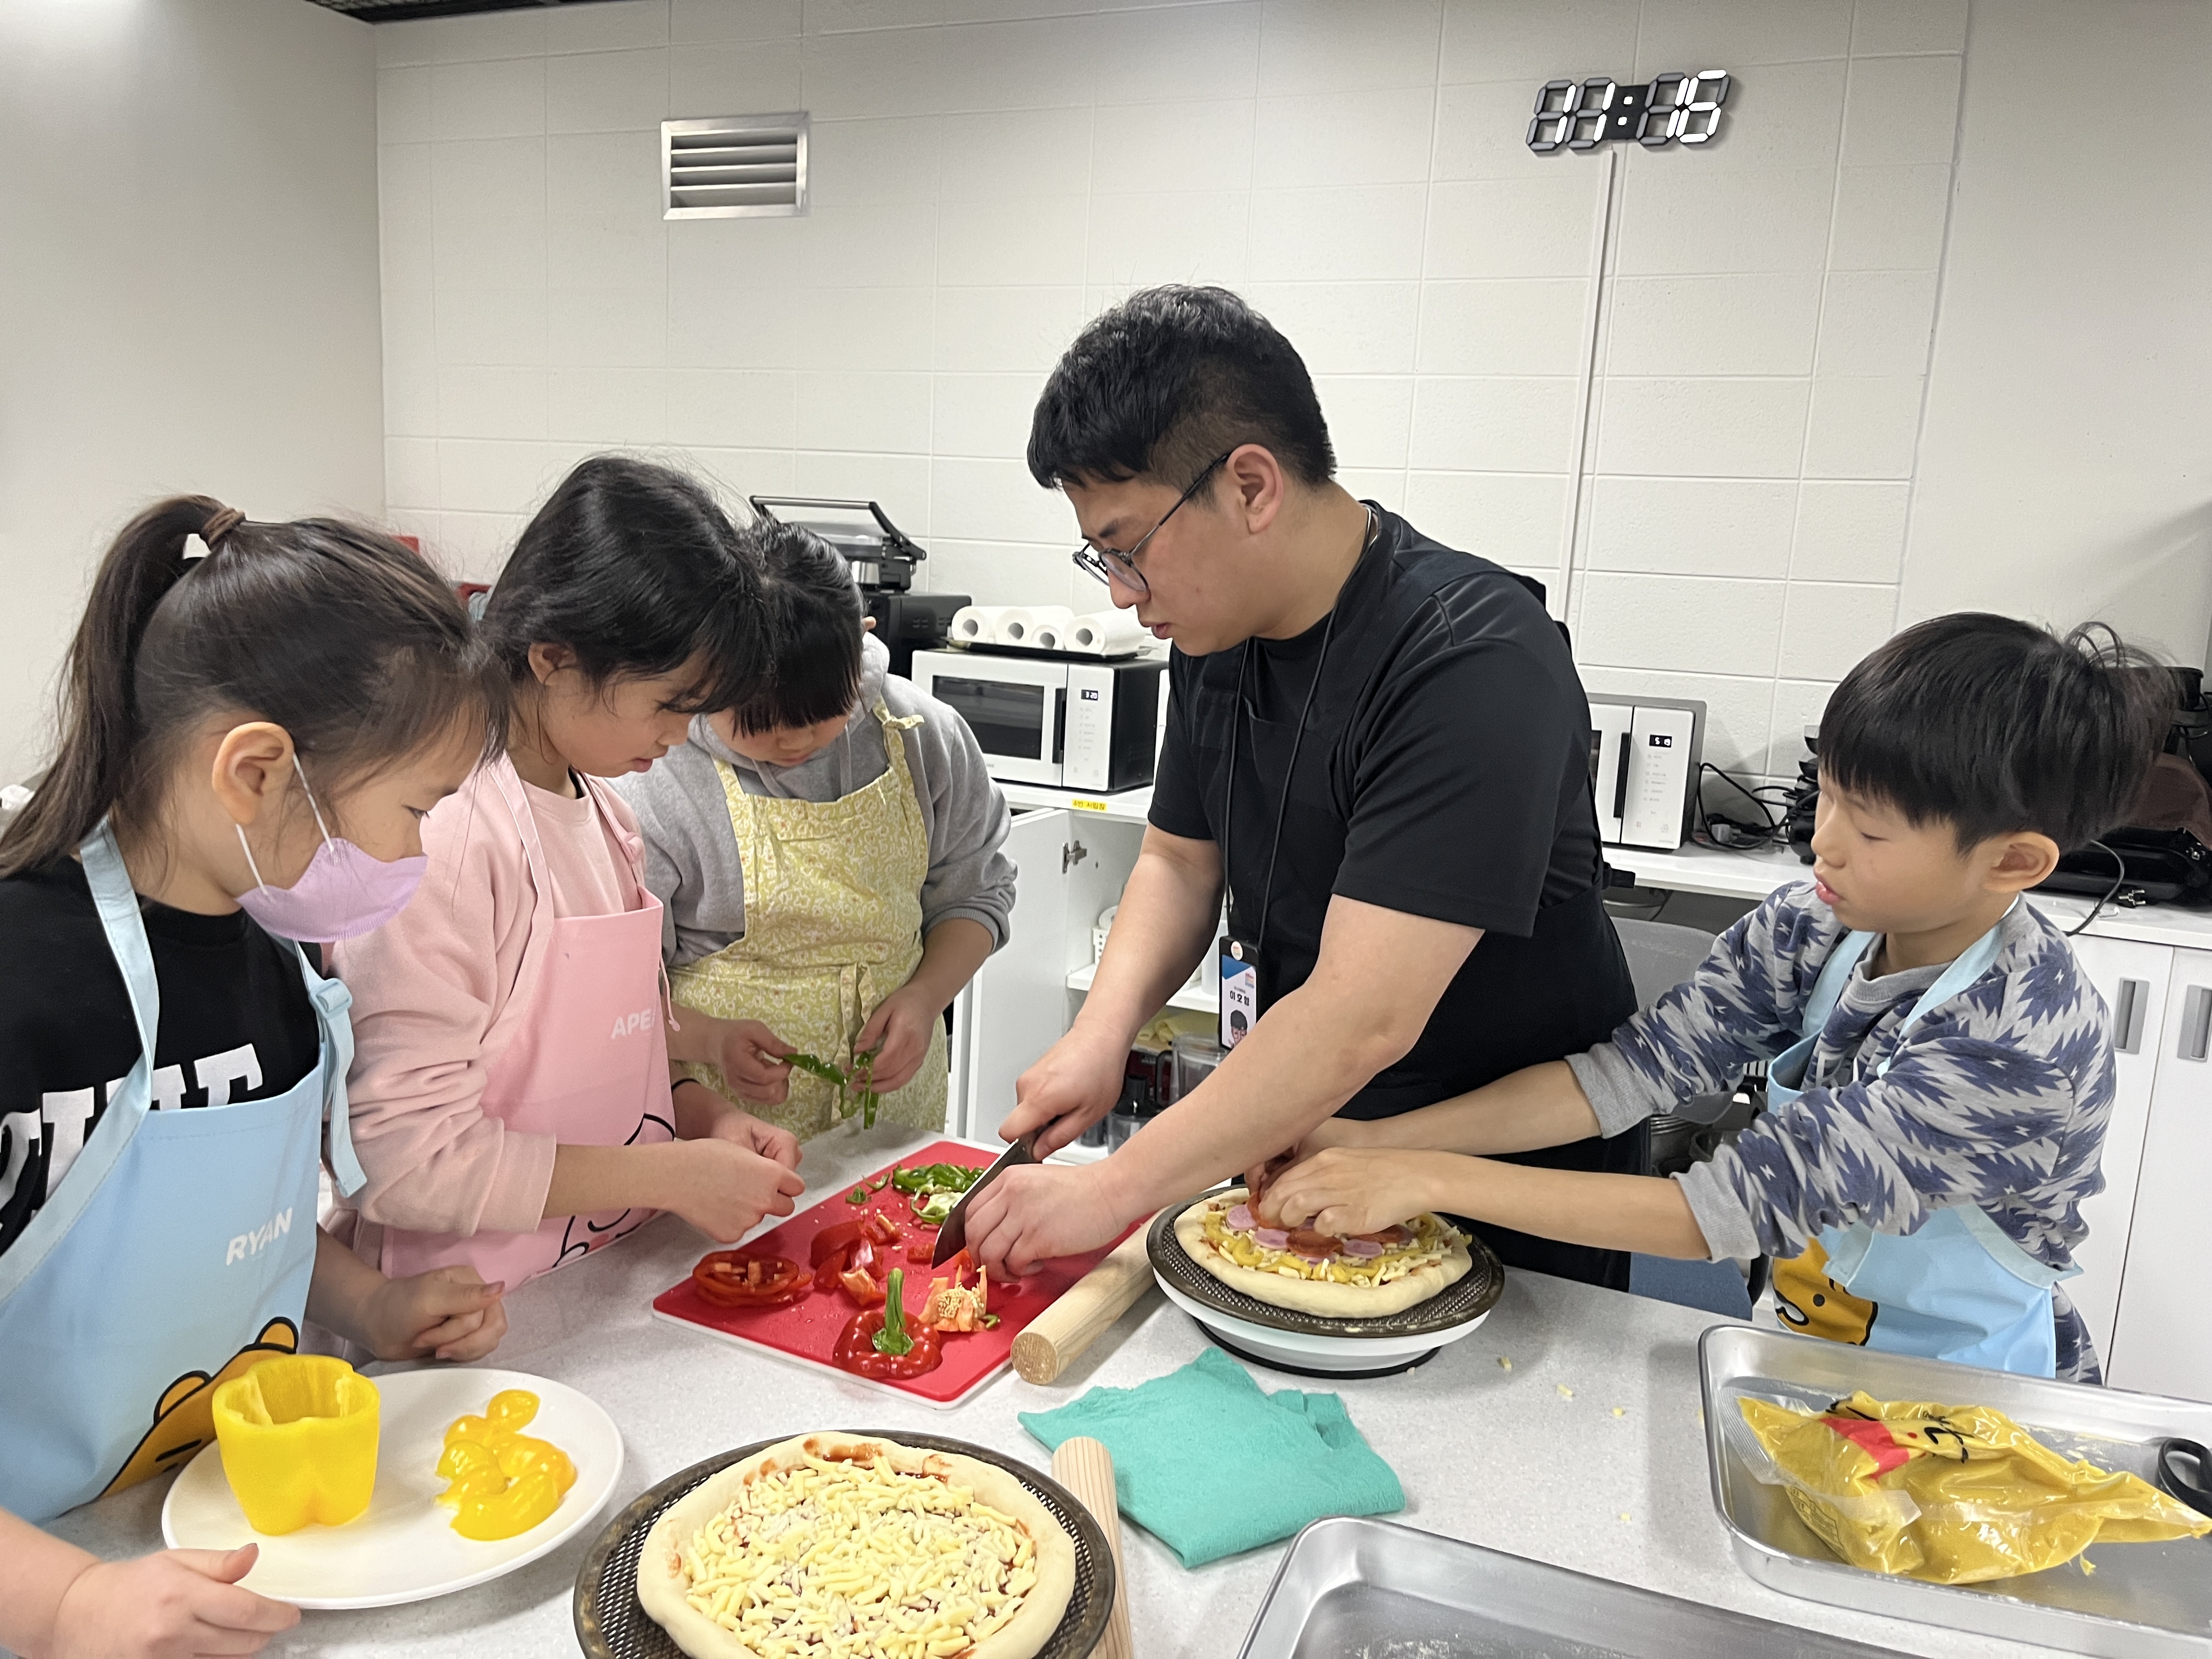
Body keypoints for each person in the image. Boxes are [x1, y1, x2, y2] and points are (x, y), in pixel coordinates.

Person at [1260, 614, 2169, 1382]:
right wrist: (1376, 1140)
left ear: (2012, 861)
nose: (1823, 842)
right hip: (1800, 1347)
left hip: (1967, 1396)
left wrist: (1426, 1178)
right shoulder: (1813, 925)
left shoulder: (2019, 1040)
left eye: (1870, 829)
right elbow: (1626, 1075)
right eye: (1826, 796)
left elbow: (1723, 1209)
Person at [964, 285, 1644, 1284]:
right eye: (1099, 555)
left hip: (1499, 1176)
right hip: (1309, 1131)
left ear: (1250, 486)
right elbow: (1178, 859)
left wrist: (1111, 1191)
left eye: (1129, 548)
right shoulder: (1216, 632)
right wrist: (1099, 1036)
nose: (1118, 590)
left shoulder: (1472, 658)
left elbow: (1361, 1016)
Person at [0, 497, 507, 1657]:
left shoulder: (274, 956)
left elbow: (237, 1227)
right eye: (415, 809)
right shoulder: (23, 980)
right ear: (258, 770)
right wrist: (67, 1603)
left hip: (228, 1539)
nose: (414, 855)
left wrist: (368, 1303)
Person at [332, 457, 806, 1290]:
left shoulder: (605, 812)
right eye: (668, 704)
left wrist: (701, 1120)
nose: (679, 737)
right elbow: (404, 1161)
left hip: (595, 1282)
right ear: (553, 658)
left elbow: (612, 1061)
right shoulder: (446, 835)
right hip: (464, 1311)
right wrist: (670, 1176)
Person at [617, 518, 1015, 1139]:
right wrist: (710, 1046)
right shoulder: (656, 775)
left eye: (826, 711)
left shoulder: (924, 737)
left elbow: (975, 893)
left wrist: (925, 998)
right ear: (707, 676)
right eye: (759, 724)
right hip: (717, 1130)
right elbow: (618, 998)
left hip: (893, 1124)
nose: (795, 741)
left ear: (861, 645)